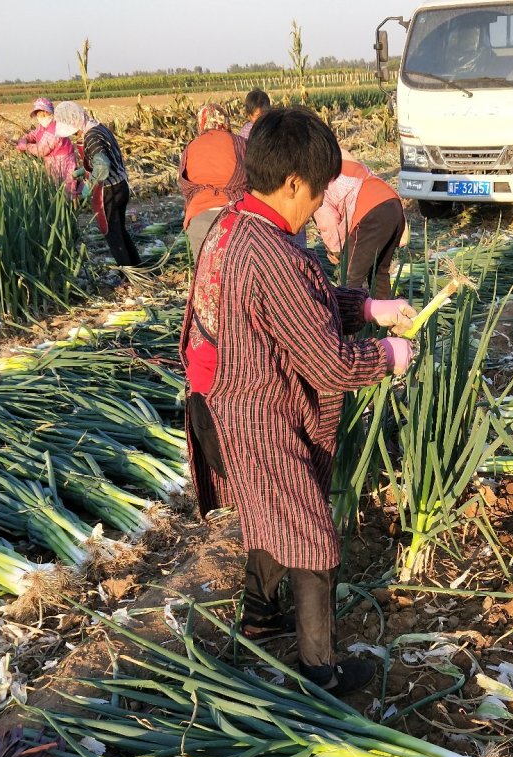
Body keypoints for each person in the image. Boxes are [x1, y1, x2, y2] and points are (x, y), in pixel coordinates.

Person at [179, 106, 416, 695]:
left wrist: (363, 307)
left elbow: (294, 310)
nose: (318, 204)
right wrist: (385, 357)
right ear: (291, 184)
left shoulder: (238, 224)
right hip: (260, 413)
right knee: (310, 533)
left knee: (271, 514)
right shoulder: (275, 255)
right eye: (316, 191)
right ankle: (320, 674)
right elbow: (329, 362)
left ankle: (259, 617)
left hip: (230, 404)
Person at [53, 101, 141, 268]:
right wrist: (84, 171)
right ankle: (138, 267)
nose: (74, 135)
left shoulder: (91, 137)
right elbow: (103, 159)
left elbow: (102, 166)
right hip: (121, 185)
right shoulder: (99, 127)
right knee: (120, 230)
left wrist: (89, 185)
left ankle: (128, 275)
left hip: (109, 192)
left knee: (113, 235)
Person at [313, 148, 407, 298]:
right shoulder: (340, 159)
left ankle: (350, 320)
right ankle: (384, 319)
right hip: (392, 204)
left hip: (370, 212)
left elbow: (328, 221)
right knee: (379, 274)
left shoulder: (313, 180)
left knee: (350, 279)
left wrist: (334, 250)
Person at [178, 104, 247, 261]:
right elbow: (253, 178)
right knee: (237, 270)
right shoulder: (239, 143)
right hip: (235, 216)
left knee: (205, 272)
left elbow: (184, 184)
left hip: (199, 218)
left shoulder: (190, 147)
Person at [16, 98, 78, 196]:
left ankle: (71, 209)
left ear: (51, 114)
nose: (42, 117)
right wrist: (25, 138)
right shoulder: (42, 126)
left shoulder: (54, 129)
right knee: (56, 189)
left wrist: (26, 146)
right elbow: (34, 134)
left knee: (67, 190)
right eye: (39, 115)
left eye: (44, 114)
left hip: (64, 163)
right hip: (52, 163)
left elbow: (41, 150)